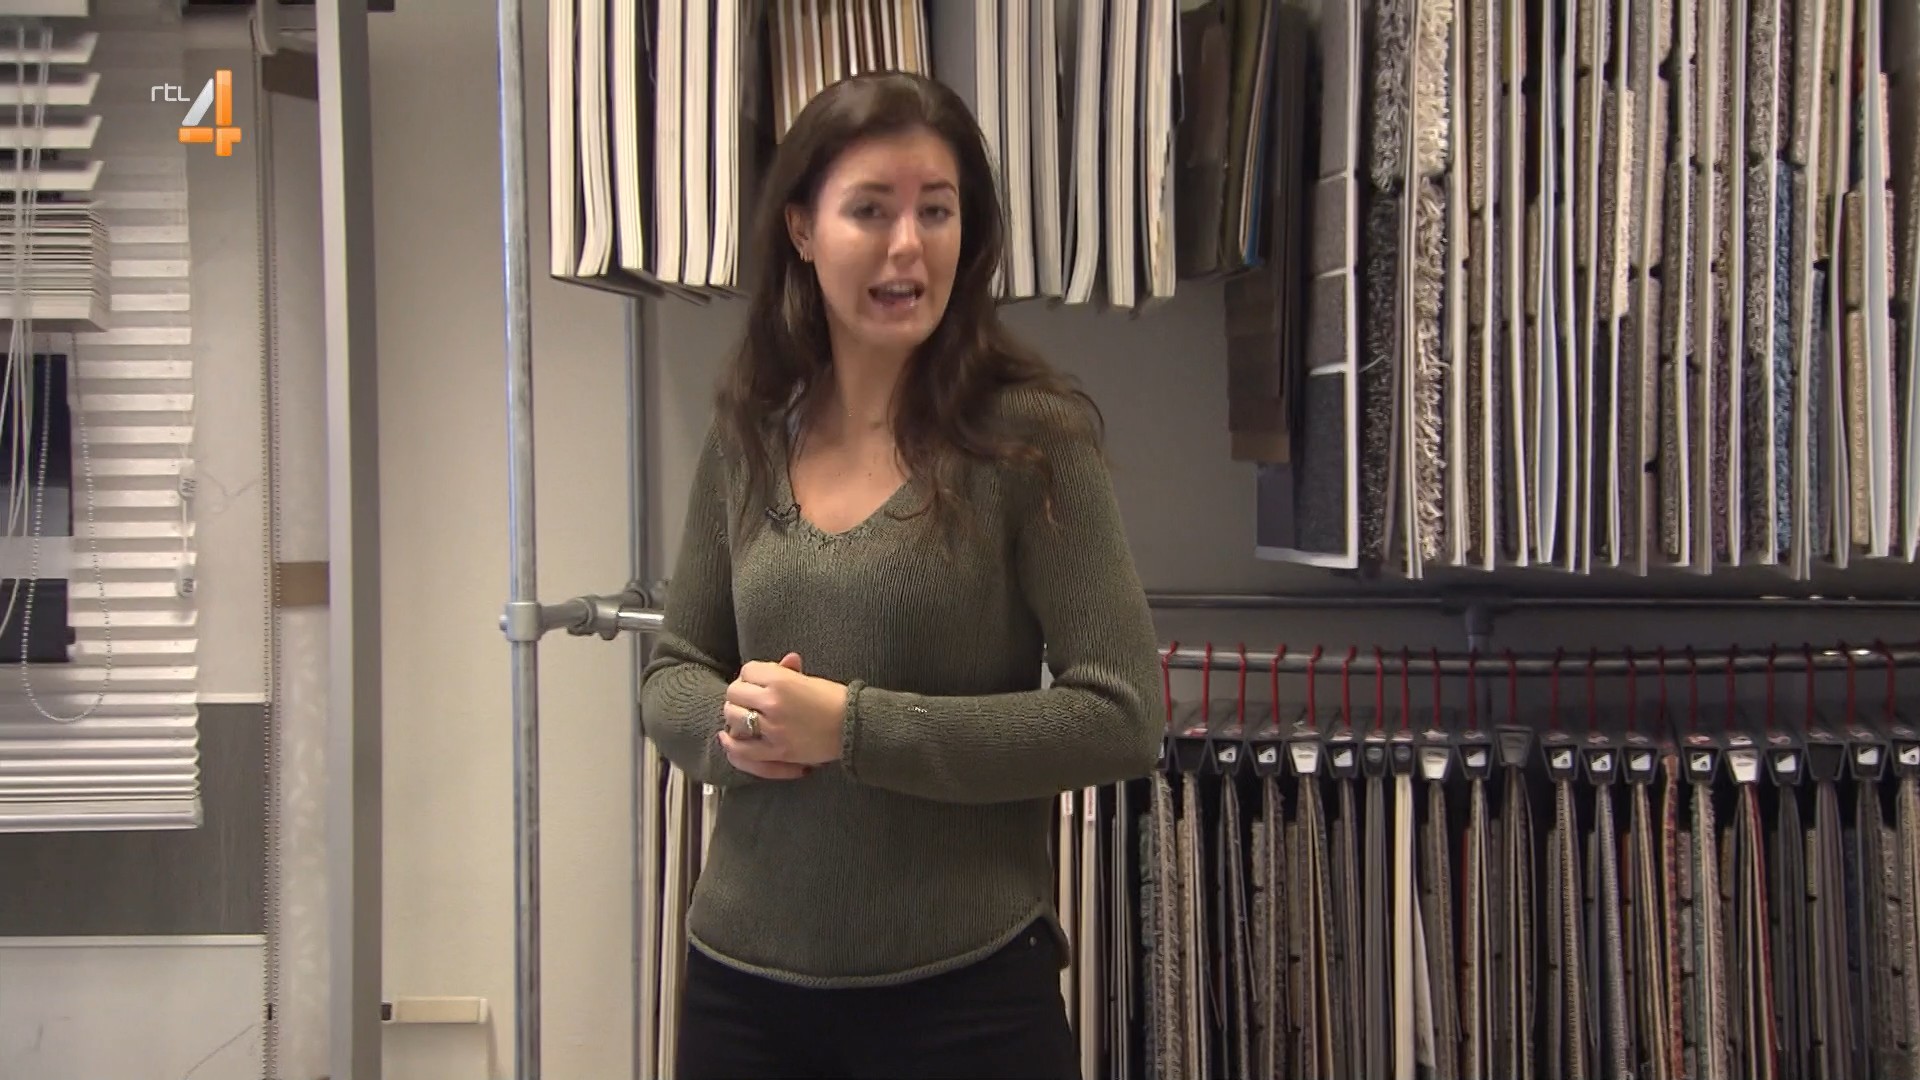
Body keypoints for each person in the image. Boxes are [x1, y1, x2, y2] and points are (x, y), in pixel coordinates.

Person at [639, 69, 1162, 1080]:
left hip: (965, 999)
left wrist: (854, 729)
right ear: (801, 228)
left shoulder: (1033, 440)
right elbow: (673, 674)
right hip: (743, 993)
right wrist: (733, 724)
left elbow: (1123, 715)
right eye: (870, 210)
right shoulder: (750, 433)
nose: (908, 246)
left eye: (937, 210)